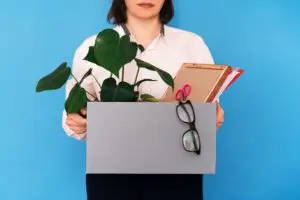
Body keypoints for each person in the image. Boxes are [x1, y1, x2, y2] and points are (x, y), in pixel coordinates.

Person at [62, 0, 224, 199]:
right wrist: (77, 120)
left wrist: (213, 116)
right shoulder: (93, 46)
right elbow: (71, 116)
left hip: (179, 172)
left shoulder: (192, 45)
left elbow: (209, 107)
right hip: (112, 174)